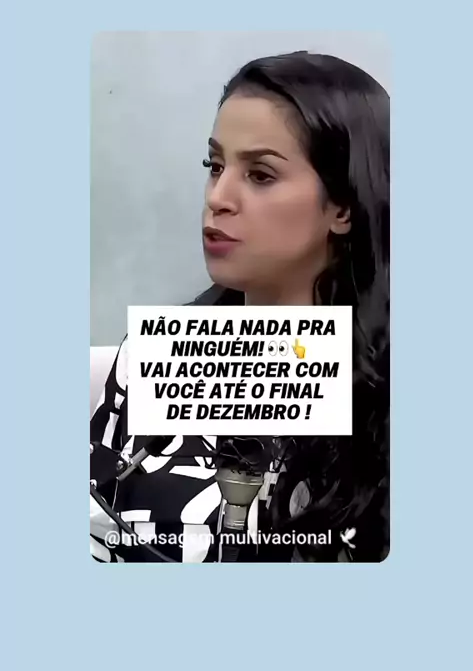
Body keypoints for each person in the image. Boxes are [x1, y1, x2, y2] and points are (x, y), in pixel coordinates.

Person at [90, 50, 390, 563]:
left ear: (342, 206)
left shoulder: (383, 391)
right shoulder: (152, 356)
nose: (218, 197)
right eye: (215, 166)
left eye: (261, 175)